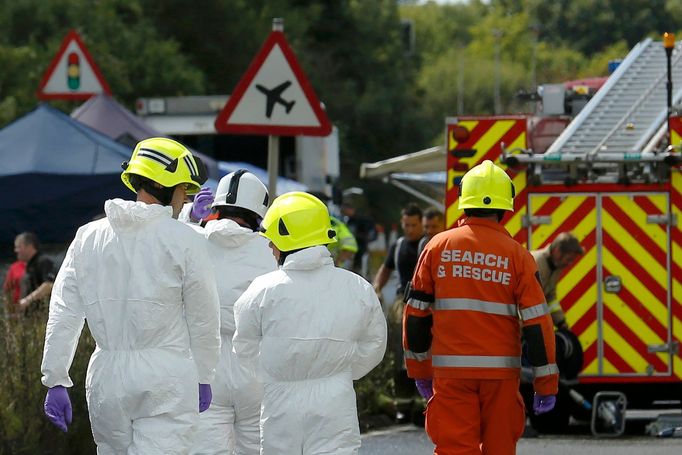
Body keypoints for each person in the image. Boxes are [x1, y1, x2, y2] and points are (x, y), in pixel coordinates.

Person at [41, 137, 221, 454]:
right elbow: (204, 315)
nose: (186, 198)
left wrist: (55, 377)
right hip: (165, 378)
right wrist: (205, 372)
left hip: (106, 378)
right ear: (166, 184)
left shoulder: (88, 236)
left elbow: (64, 312)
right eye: (184, 188)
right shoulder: (186, 240)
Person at [403, 160, 558, 454]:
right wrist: (545, 383)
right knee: (499, 448)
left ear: (464, 203)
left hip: (451, 375)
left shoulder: (437, 247)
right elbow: (538, 325)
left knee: (455, 449)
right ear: (505, 207)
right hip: (500, 378)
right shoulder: (518, 256)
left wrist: (419, 371)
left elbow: (416, 316)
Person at [233, 192, 387, 454]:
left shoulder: (262, 289)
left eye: (273, 242)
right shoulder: (357, 288)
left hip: (279, 404)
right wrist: (341, 371)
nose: (270, 248)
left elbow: (243, 349)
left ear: (286, 239)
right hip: (336, 401)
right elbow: (374, 344)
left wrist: (272, 373)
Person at [190, 170, 277, 455]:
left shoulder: (193, 241)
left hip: (204, 365)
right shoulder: (270, 251)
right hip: (256, 366)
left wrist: (188, 219)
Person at [372, 203, 424, 420]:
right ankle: (404, 404)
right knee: (399, 354)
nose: (409, 229)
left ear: (421, 223)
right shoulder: (398, 245)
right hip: (402, 305)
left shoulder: (428, 244)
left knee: (420, 354)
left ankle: (422, 403)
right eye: (406, 224)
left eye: (413, 225)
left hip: (424, 307)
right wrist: (376, 289)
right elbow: (385, 270)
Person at [531, 232, 584, 330]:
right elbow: (526, 299)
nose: (569, 264)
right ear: (557, 251)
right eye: (568, 259)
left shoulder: (555, 266)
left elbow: (550, 296)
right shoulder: (535, 263)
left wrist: (560, 322)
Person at [14, 232, 57, 313]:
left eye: (19, 247)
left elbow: (49, 285)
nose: (16, 251)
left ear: (29, 246)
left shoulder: (43, 262)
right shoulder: (29, 265)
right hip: (30, 318)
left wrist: (27, 300)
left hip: (42, 316)